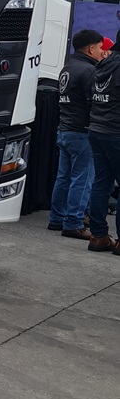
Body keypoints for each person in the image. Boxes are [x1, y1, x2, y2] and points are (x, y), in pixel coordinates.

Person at [48, 29, 104, 239]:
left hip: (65, 129)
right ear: (91, 48)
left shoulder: (68, 68)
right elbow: (94, 102)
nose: (102, 52)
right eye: (100, 48)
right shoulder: (89, 70)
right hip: (82, 132)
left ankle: (57, 218)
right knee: (82, 179)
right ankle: (73, 223)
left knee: (63, 177)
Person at [87, 28, 120, 254]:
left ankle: (98, 236)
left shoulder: (104, 64)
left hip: (97, 129)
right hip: (116, 131)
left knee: (101, 183)